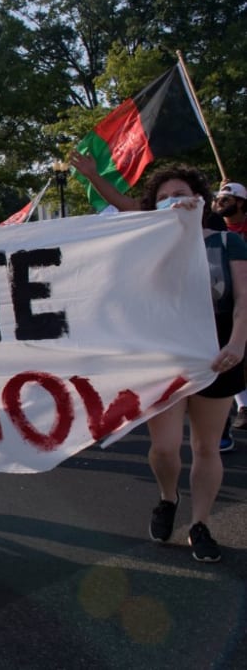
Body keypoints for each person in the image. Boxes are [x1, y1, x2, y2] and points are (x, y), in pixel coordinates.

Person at [72, 156, 244, 563]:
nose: (172, 202)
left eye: (180, 195)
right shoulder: (148, 242)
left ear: (200, 199)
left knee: (206, 448)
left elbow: (243, 301)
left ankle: (200, 524)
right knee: (165, 449)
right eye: (163, 197)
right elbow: (125, 205)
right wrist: (94, 177)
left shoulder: (226, 242)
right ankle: (168, 498)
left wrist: (237, 345)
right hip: (164, 358)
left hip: (216, 357)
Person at [212, 181, 247, 450]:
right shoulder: (214, 228)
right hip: (225, 306)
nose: (221, 201)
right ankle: (242, 407)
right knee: (231, 357)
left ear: (241, 202)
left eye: (227, 198)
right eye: (219, 198)